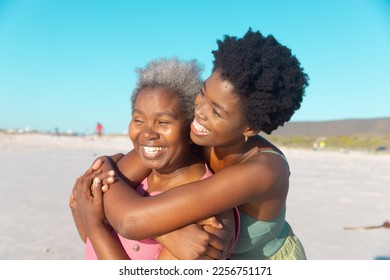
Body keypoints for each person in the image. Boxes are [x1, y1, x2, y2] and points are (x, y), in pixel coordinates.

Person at [74, 28, 309, 259]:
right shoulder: (197, 132)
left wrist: (106, 180)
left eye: (217, 112)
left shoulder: (264, 170)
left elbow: (130, 219)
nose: (200, 112)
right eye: (203, 94)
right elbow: (106, 185)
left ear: (249, 128)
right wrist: (107, 165)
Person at [71, 57, 238, 260]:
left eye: (163, 122)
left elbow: (94, 221)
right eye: (139, 120)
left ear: (190, 127)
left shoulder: (208, 215)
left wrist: (94, 223)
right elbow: (90, 240)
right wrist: (89, 219)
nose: (148, 133)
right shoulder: (136, 171)